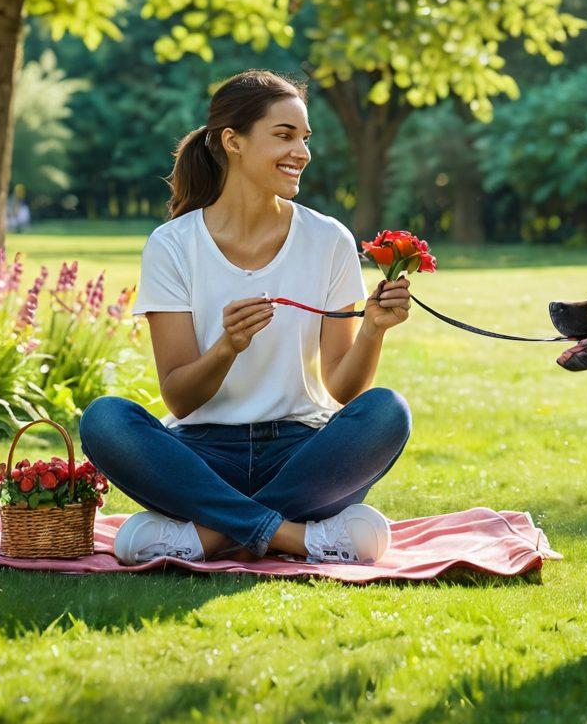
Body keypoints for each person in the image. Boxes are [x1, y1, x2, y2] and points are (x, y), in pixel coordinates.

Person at [79, 70, 413, 567]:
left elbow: (343, 390)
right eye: (284, 136)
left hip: (302, 455)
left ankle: (211, 536)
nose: (301, 151)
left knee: (388, 411)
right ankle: (297, 538)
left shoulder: (329, 240)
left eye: (304, 138)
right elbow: (180, 397)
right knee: (104, 419)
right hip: (202, 459)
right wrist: (226, 348)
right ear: (232, 141)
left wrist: (373, 329)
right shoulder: (172, 245)